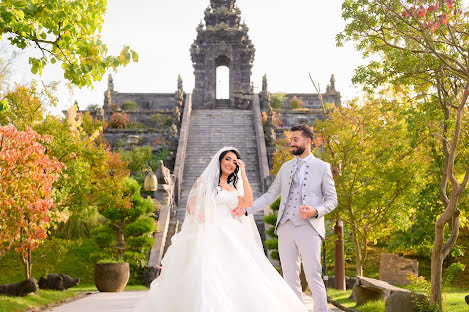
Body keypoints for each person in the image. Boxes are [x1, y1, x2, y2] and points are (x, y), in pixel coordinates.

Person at [135, 146, 307, 312]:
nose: (230, 163)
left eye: (234, 161)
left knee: (241, 271)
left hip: (231, 231)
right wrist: (206, 218)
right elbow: (192, 206)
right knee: (206, 270)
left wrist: (244, 174)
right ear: (220, 160)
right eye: (227, 159)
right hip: (208, 229)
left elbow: (247, 202)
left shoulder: (233, 187)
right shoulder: (205, 182)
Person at [234, 124, 338, 312]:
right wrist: (248, 209)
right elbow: (270, 195)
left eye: (295, 139)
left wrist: (315, 210)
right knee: (289, 277)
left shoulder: (322, 167)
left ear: (308, 142)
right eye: (290, 140)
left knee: (314, 276)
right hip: (285, 228)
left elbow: (332, 200)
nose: (291, 143)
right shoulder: (285, 167)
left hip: (309, 228)